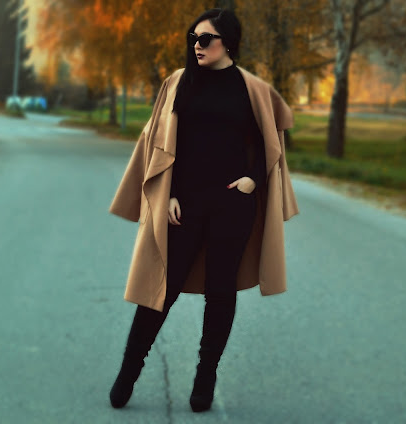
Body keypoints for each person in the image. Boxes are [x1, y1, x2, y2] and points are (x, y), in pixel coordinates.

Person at [107, 8, 299, 413]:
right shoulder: (179, 82)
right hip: (184, 205)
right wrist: (170, 193)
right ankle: (128, 372)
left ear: (228, 43)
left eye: (206, 39)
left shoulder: (252, 89)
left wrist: (252, 181)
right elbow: (159, 142)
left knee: (220, 290)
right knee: (161, 289)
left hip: (233, 206)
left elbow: (270, 147)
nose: (197, 45)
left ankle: (205, 376)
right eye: (193, 38)